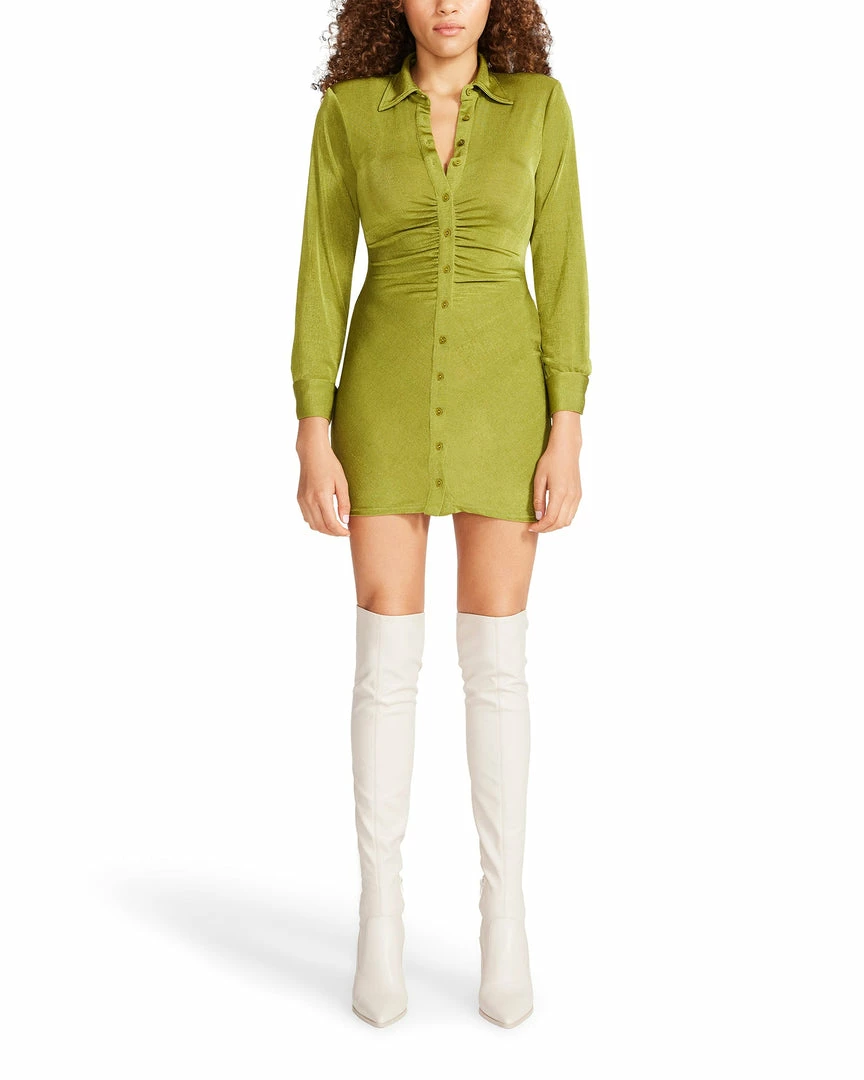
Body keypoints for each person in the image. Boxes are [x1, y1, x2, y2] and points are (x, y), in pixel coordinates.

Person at [290, 0, 591, 1029]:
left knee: (497, 668)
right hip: (379, 404)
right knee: (385, 666)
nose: (448, 5)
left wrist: (567, 428)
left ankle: (503, 922)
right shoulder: (349, 116)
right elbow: (323, 275)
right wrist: (312, 427)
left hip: (508, 409)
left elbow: (565, 274)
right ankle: (380, 920)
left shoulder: (541, 109)